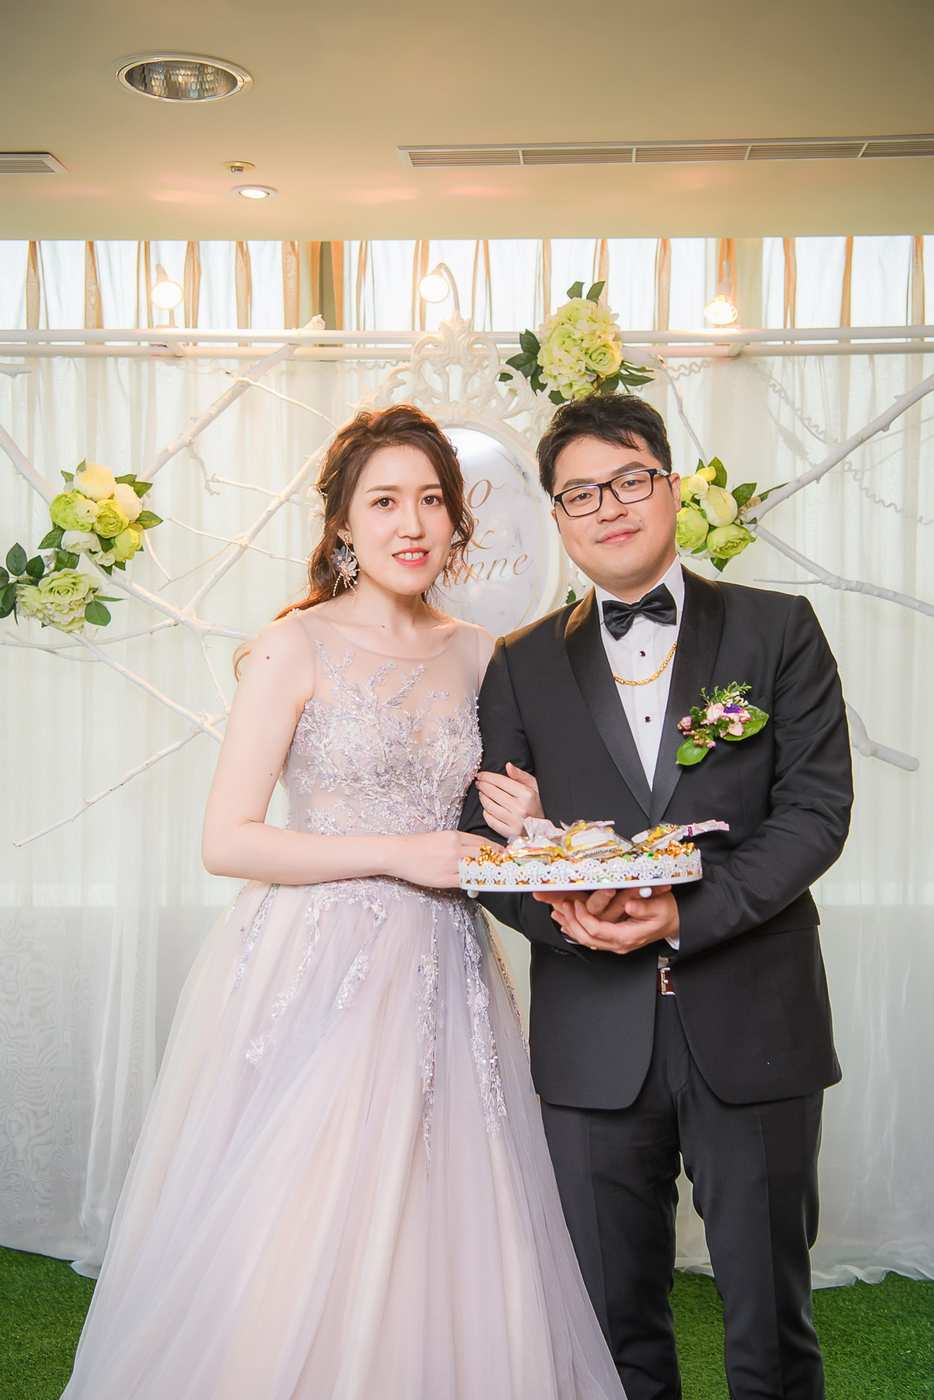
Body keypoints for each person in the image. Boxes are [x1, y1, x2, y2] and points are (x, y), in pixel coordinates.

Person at [60, 404, 626, 1400]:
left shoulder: (480, 653)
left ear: (456, 519)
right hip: (313, 964)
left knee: (447, 1207)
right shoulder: (295, 645)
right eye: (385, 501)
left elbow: (487, 826)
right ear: (343, 524)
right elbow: (228, 838)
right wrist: (401, 853)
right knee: (302, 1202)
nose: (411, 523)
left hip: (447, 968)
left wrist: (532, 821)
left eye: (430, 500)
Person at [462, 393, 854, 1400]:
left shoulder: (777, 629)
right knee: (611, 1327)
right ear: (557, 516)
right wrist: (568, 914)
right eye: (580, 493)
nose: (609, 506)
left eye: (629, 479)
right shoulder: (517, 662)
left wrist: (687, 913)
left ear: (671, 486)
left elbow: (815, 814)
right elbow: (490, 840)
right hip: (592, 1037)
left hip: (754, 1020)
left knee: (771, 1321)